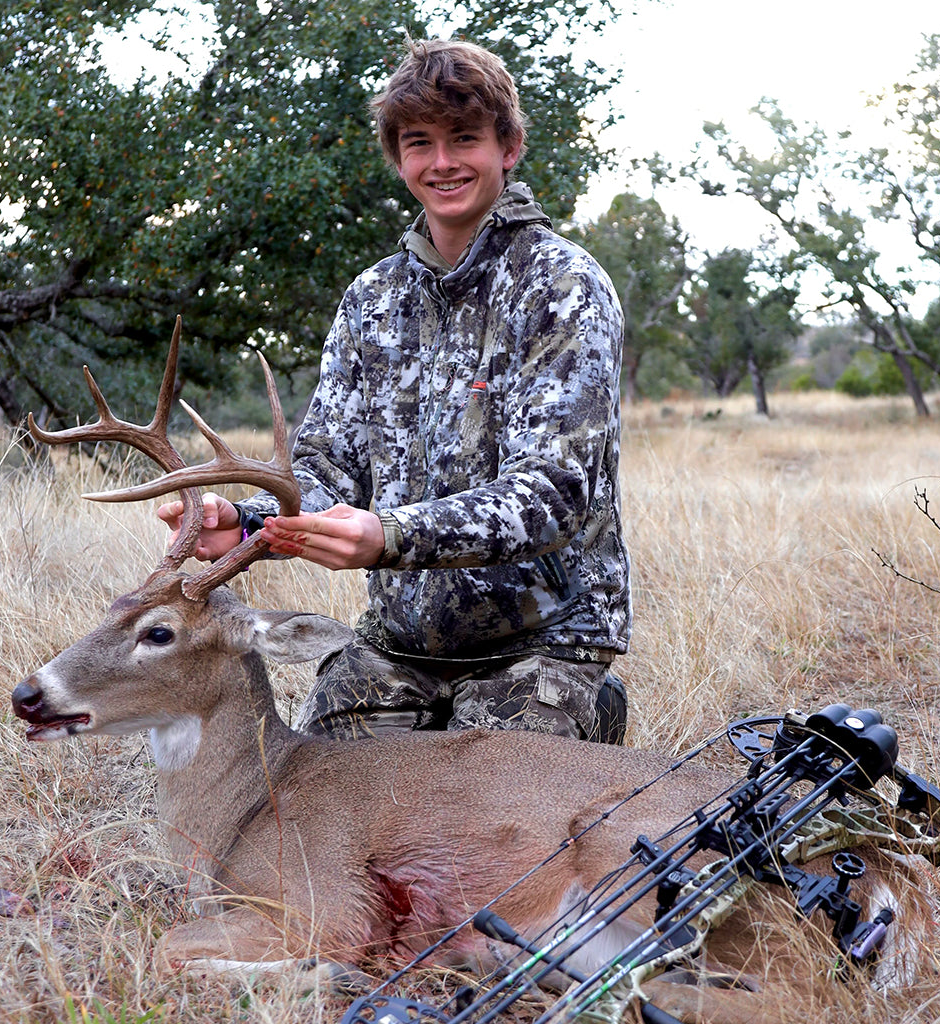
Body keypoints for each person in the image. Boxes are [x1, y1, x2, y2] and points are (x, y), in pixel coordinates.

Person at [158, 37, 631, 743]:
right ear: (399, 158)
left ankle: (591, 708)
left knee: (487, 826)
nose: (441, 163)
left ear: (509, 146)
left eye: (464, 138)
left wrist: (391, 535)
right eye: (419, 143)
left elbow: (554, 495)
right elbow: (327, 466)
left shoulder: (563, 286)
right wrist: (254, 522)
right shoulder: (374, 298)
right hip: (398, 644)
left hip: (543, 641)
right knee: (314, 805)